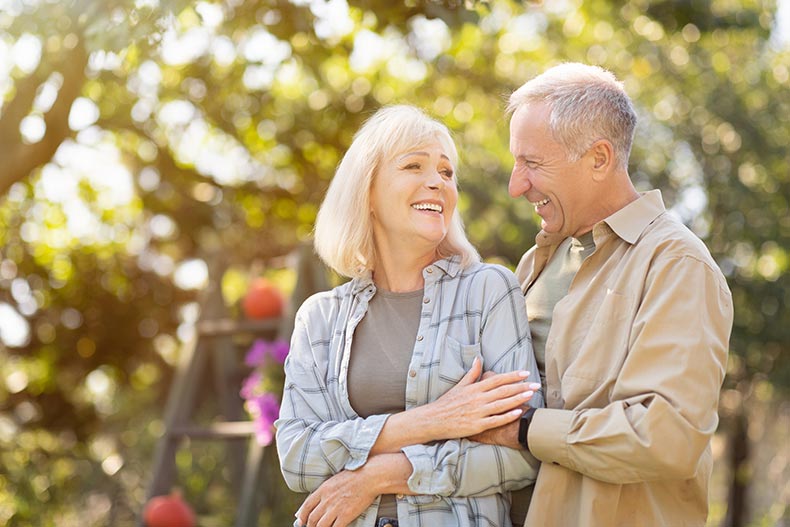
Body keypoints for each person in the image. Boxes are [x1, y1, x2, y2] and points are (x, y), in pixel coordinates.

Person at [473, 63, 734, 527]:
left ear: (599, 158)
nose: (516, 185)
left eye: (532, 163)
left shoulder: (676, 266)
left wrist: (525, 430)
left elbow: (667, 436)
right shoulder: (537, 261)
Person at [275, 105, 543, 527]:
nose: (436, 181)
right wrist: (433, 421)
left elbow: (521, 455)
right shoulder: (320, 318)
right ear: (367, 192)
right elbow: (296, 457)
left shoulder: (488, 290)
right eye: (413, 165)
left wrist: (381, 474)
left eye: (447, 172)